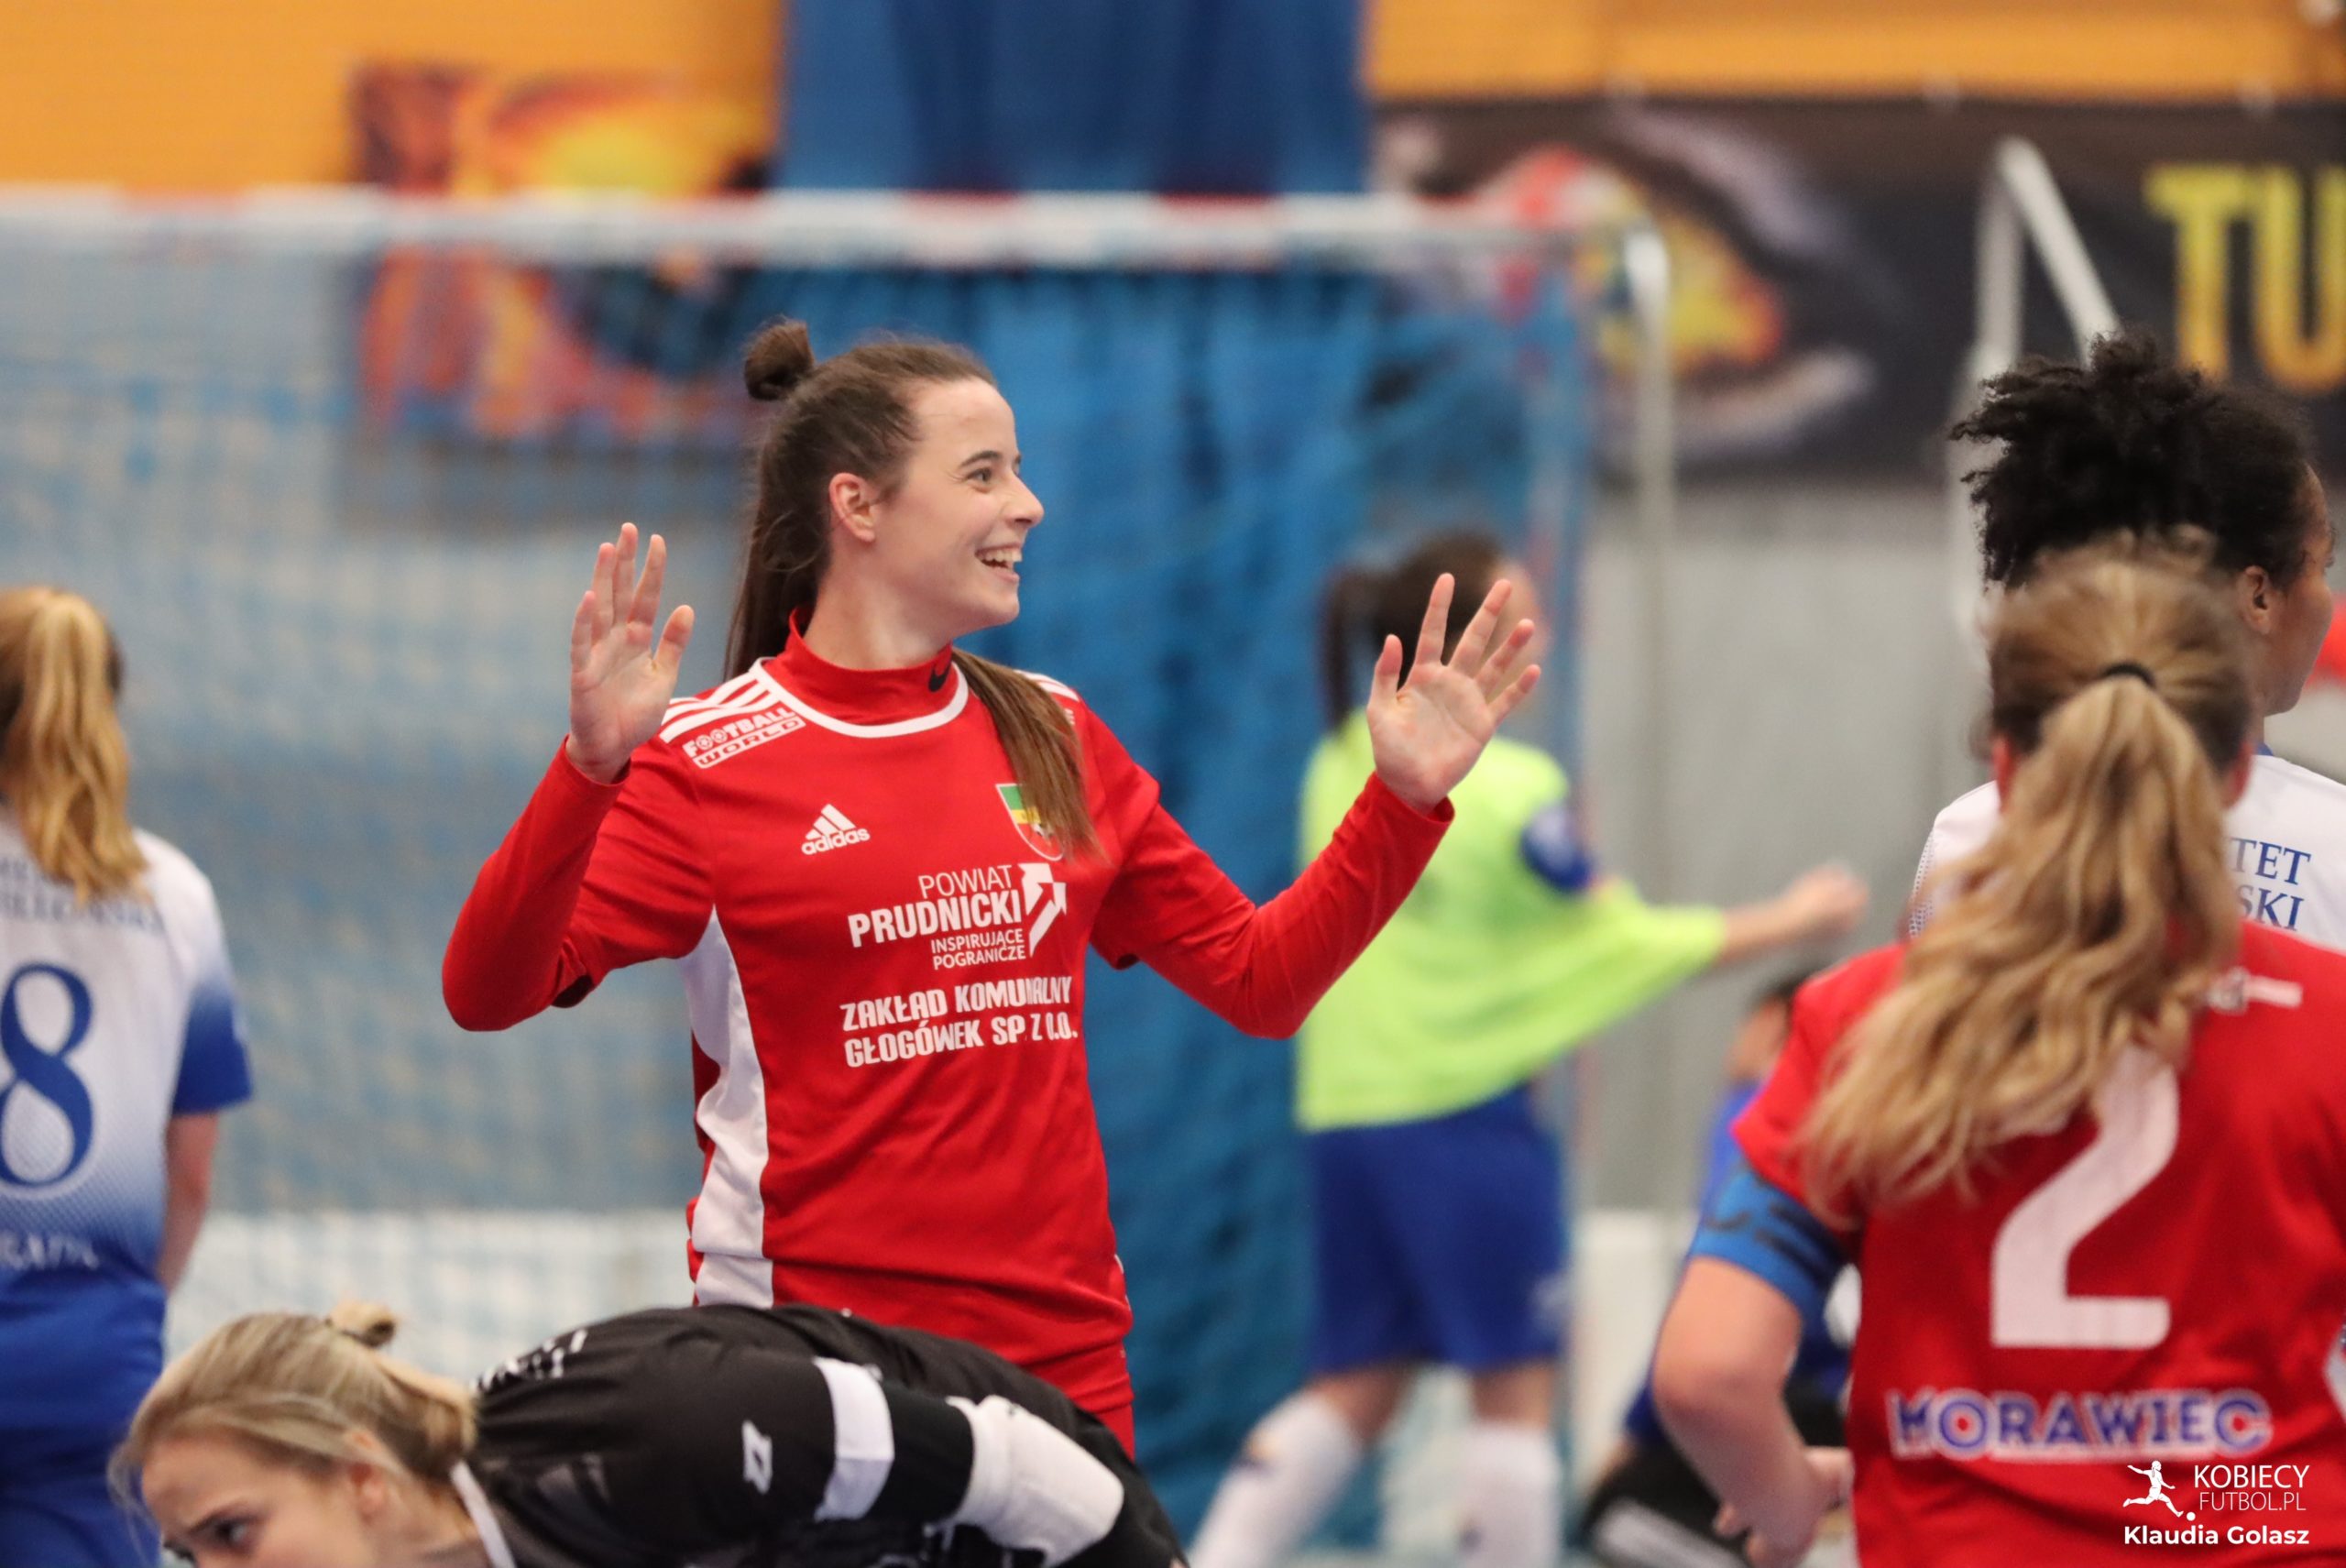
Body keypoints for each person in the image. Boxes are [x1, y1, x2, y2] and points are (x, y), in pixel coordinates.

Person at [442, 323, 1541, 1451]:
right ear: (858, 506)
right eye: (983, 475)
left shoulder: (1052, 732)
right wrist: (587, 771)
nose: (1028, 505)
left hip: (1061, 1367)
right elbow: (485, 991)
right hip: (817, 1370)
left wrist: (1401, 803)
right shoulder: (705, 761)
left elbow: (1261, 981)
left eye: (1018, 470)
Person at [1652, 537, 2346, 1566]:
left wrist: (1791, 1500)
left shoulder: (1868, 1015)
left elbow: (1707, 1373)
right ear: (2238, 771)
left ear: (2008, 768)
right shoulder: (2327, 1019)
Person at [1187, 535, 1864, 1568]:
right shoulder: (1505, 786)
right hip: (1461, 1117)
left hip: (1344, 1118)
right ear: (1475, 634)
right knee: (1513, 1385)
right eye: (1523, 604)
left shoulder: (1335, 760)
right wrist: (1791, 920)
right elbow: (1617, 939)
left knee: (1356, 1382)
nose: (1544, 622)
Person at [116, 1298, 1185, 1568]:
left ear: (361, 1477)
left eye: (234, 1532)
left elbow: (1015, 1465)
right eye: (189, 1553)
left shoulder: (659, 1430)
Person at [1916, 328, 2341, 940]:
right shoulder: (2335, 844)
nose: (2327, 599)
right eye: (2323, 565)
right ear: (2258, 594)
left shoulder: (1969, 836)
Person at [0, 587, 252, 1568]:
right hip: (93, 1365)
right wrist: (120, 1310)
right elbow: (190, 1173)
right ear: (106, 709)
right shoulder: (175, 897)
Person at [1575, 970, 1849, 1568]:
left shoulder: (1759, 1113)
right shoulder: (1875, 1110)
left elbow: (1713, 1344)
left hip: (1780, 1400)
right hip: (1878, 1409)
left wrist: (1633, 1434)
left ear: (1770, 1022)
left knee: (1610, 1514)